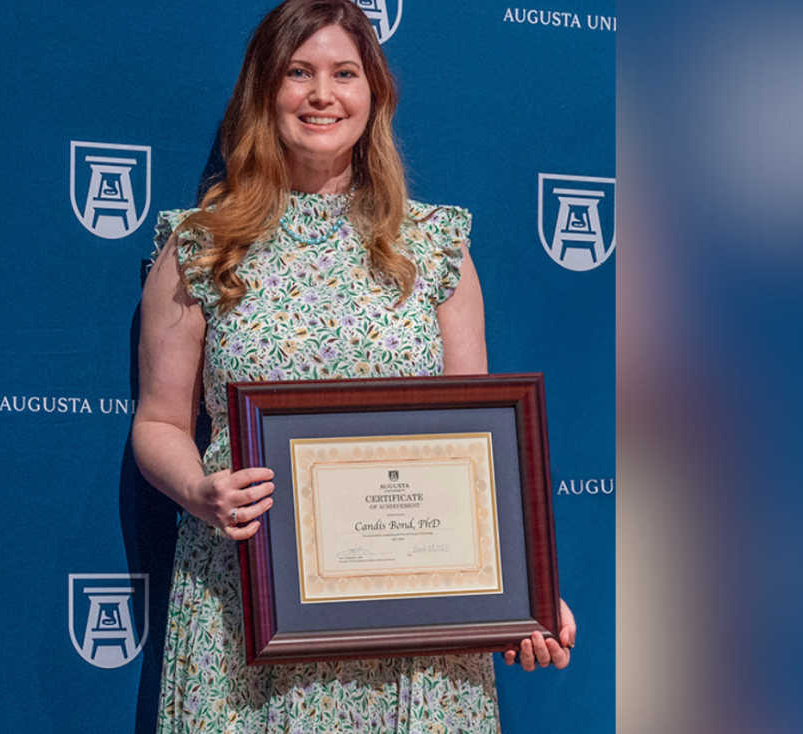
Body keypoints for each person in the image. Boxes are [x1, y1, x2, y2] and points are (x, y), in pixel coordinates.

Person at [133, 1, 575, 731]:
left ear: (373, 95)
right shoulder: (200, 247)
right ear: (262, 91)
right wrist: (200, 490)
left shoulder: (433, 246)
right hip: (245, 612)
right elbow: (157, 421)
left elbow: (480, 449)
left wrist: (526, 592)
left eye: (344, 73)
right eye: (297, 72)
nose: (321, 94)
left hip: (415, 628)